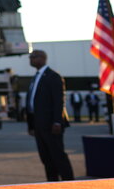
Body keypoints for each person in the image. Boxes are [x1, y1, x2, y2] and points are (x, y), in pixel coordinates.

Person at [26, 49, 74, 182]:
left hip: (51, 125)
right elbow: (31, 103)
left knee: (58, 156)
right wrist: (31, 125)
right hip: (38, 125)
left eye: (33, 57)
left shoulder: (53, 76)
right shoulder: (36, 77)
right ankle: (52, 183)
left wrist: (57, 122)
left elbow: (58, 101)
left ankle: (69, 182)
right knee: (46, 158)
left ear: (42, 58)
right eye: (30, 57)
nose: (30, 60)